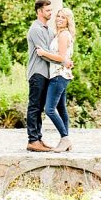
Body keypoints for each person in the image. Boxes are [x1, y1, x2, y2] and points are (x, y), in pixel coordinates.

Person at [25, 0, 72, 152]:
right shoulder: (36, 29)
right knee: (35, 107)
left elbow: (57, 52)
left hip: (49, 74)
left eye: (52, 11)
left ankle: (39, 138)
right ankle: (33, 140)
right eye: (48, 11)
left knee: (42, 107)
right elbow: (43, 54)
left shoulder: (50, 31)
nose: (51, 14)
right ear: (39, 12)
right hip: (37, 72)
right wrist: (64, 61)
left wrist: (65, 60)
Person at [38, 8, 75, 152]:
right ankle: (65, 141)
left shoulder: (64, 35)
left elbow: (60, 57)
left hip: (59, 76)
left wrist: (43, 53)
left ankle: (65, 138)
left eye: (63, 17)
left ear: (68, 21)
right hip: (61, 74)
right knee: (61, 109)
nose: (59, 19)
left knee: (49, 109)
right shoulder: (59, 34)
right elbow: (64, 58)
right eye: (58, 16)